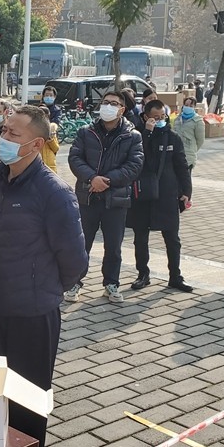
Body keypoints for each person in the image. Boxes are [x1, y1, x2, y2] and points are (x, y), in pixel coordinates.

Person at [0, 106, 87, 447]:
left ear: (37, 144)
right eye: (4, 130)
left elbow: (74, 259)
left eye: (14, 134)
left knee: (29, 399)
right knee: (3, 392)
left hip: (34, 311)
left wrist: (45, 288)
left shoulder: (53, 191)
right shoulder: (0, 178)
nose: (4, 137)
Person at [66, 91, 143, 303]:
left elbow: (134, 165)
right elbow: (75, 158)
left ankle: (111, 283)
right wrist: (92, 178)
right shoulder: (86, 132)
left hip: (116, 199)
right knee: (81, 244)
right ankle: (74, 282)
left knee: (113, 246)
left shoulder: (132, 136)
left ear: (122, 110)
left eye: (114, 103)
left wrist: (106, 181)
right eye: (105, 102)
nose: (108, 106)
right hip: (87, 196)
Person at [127, 99, 193, 292]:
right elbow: (138, 157)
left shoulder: (173, 138)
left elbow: (182, 166)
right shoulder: (137, 136)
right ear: (145, 117)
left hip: (167, 194)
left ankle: (175, 276)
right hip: (143, 193)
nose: (159, 120)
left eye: (162, 116)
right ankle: (143, 274)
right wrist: (147, 133)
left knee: (172, 238)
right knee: (141, 238)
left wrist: (186, 192)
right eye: (155, 118)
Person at [177, 97, 205, 170]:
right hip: (176, 154)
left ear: (194, 107)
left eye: (191, 106)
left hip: (188, 156)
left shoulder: (198, 121)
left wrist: (192, 149)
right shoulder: (178, 118)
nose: (188, 107)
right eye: (186, 105)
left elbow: (200, 140)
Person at [38, 106, 61, 173]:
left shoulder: (51, 129)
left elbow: (56, 149)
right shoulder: (33, 130)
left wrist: (50, 140)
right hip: (37, 165)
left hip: (50, 166)